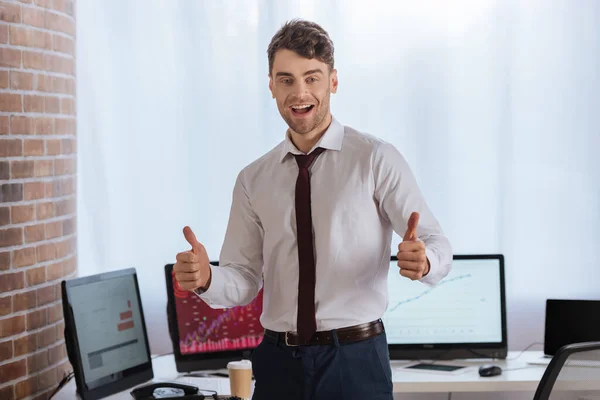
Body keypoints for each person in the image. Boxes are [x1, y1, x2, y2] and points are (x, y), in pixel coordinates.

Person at [174, 19, 452, 400]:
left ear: (333, 82)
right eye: (286, 79)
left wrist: (424, 262)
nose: (299, 92)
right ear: (271, 85)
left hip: (354, 362)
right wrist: (207, 278)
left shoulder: (375, 159)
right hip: (277, 363)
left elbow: (437, 244)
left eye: (312, 78)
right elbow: (243, 279)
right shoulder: (253, 179)